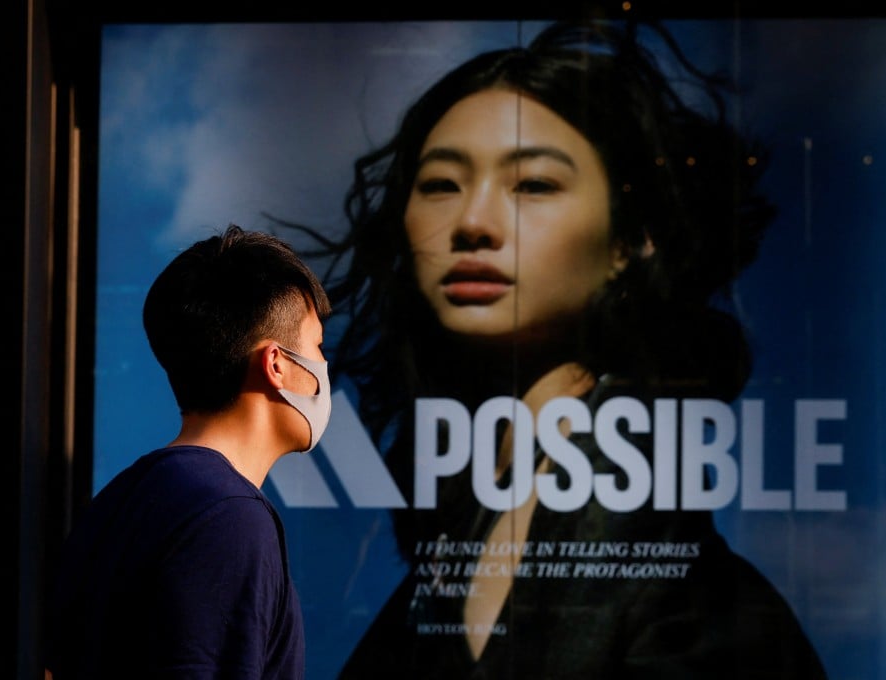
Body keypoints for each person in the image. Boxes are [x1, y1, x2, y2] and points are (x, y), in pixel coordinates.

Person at [282, 18, 827, 679]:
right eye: (441, 185)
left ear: (631, 240)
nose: (473, 224)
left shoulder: (654, 527)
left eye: (533, 184)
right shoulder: (462, 518)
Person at [44, 224, 332, 679]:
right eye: (317, 347)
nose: (322, 367)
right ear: (276, 364)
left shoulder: (121, 500)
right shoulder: (231, 517)